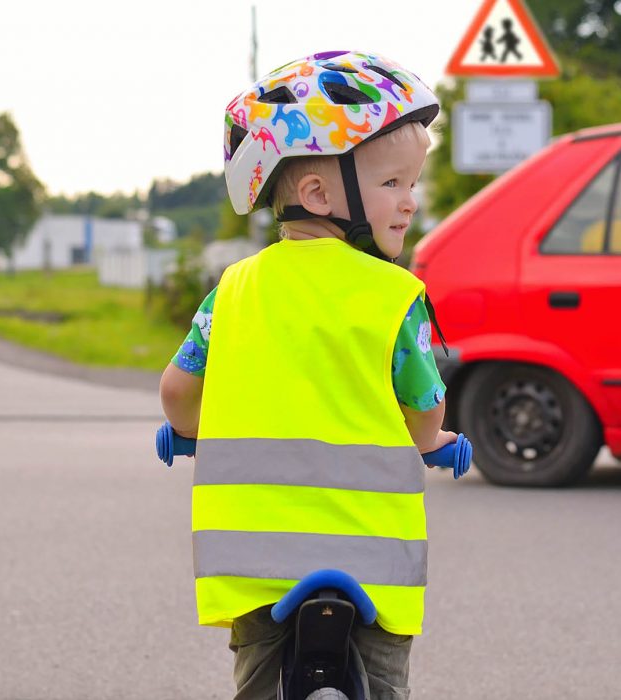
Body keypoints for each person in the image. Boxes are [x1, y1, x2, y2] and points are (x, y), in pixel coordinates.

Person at [159, 50, 456, 700]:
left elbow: (178, 392)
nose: (410, 201)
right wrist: (432, 443)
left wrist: (186, 430)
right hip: (374, 559)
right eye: (393, 184)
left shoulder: (233, 290)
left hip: (256, 566)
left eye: (412, 184)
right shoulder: (395, 296)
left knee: (259, 685)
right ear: (320, 193)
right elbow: (423, 407)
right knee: (383, 682)